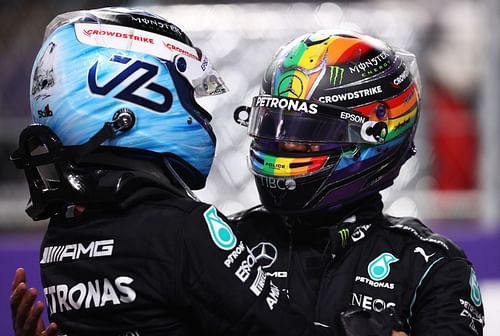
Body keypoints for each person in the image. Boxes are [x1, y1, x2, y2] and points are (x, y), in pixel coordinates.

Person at [8, 7, 330, 336]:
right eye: (187, 92)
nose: (198, 108)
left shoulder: (60, 237)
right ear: (133, 94)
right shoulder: (181, 230)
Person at [230, 30, 485, 335]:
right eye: (278, 129)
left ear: (377, 136)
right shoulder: (228, 240)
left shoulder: (429, 265)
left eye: (307, 136)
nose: (287, 147)